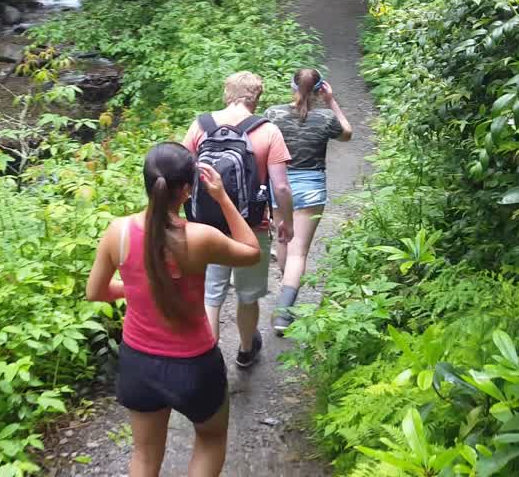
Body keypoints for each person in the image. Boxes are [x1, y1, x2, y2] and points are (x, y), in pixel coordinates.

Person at [86, 142, 263, 477]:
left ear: (147, 183)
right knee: (210, 439)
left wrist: (139, 287)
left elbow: (94, 292)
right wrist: (223, 197)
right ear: (187, 189)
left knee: (144, 455)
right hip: (194, 365)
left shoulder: (117, 232)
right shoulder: (200, 237)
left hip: (138, 362)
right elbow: (251, 251)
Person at [181, 71, 293, 367]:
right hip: (251, 225)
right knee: (247, 294)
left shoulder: (200, 125)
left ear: (226, 93)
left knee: (211, 294)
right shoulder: (268, 131)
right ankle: (245, 350)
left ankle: (206, 360)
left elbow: (182, 172)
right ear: (256, 97)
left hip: (206, 226)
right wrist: (287, 222)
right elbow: (280, 186)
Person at [264, 68, 353, 335]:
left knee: (282, 239)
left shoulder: (272, 114)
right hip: (311, 187)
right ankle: (284, 313)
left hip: (279, 184)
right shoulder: (326, 118)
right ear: (319, 89)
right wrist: (332, 102)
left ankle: (285, 289)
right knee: (299, 251)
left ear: (292, 86)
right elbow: (347, 133)